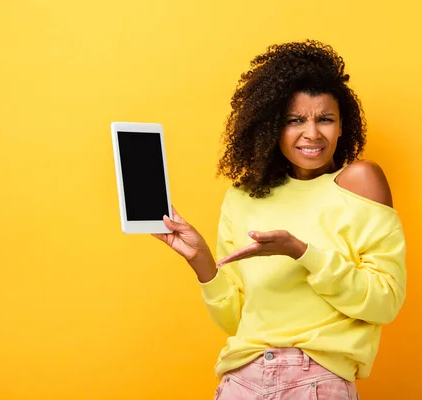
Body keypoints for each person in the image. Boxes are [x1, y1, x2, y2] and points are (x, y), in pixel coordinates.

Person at [153, 40, 407, 400]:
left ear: (341, 125)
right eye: (294, 120)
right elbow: (235, 319)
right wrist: (202, 261)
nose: (312, 133)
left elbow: (385, 302)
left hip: (317, 379)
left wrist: (302, 252)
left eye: (325, 119)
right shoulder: (243, 197)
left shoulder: (360, 183)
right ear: (271, 126)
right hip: (242, 378)